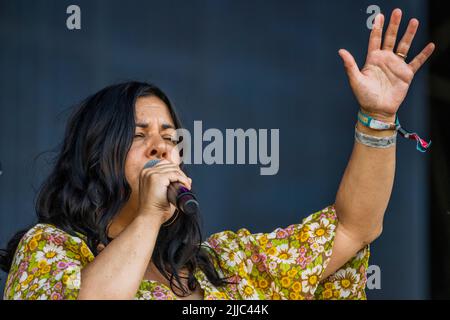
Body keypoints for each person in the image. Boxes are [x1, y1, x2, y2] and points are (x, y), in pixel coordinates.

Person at [0, 8, 435, 300]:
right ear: (95, 157)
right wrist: (149, 216)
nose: (161, 145)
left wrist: (377, 117)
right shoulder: (52, 250)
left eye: (169, 136)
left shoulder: (224, 267)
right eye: (138, 135)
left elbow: (352, 227)